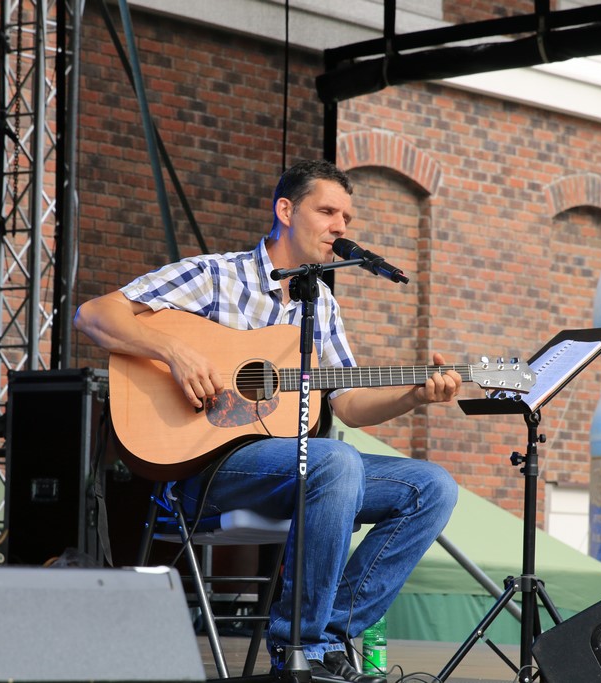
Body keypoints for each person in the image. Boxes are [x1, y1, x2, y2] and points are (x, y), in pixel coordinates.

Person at [74, 159, 460, 683]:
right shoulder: (215, 275)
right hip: (203, 470)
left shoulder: (322, 304)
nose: (340, 226)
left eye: (347, 217)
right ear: (285, 210)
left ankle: (329, 637)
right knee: (335, 460)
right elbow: (95, 314)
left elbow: (347, 403)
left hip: (296, 470)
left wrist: (414, 396)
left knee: (432, 486)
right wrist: (175, 352)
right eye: (327, 211)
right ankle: (298, 648)